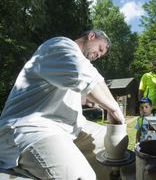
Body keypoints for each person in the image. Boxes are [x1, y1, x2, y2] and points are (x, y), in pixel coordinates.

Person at [0, 29, 125, 179]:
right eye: (100, 49)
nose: (99, 55)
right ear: (91, 36)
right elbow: (83, 77)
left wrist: (93, 102)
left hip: (70, 127)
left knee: (113, 147)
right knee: (83, 177)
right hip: (32, 128)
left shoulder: (82, 64)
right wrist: (114, 109)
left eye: (101, 54)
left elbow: (97, 80)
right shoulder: (59, 45)